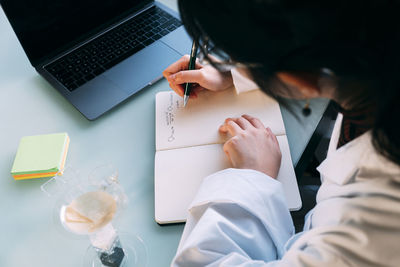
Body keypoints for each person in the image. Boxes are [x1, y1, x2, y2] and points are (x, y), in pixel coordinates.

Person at [162, 0, 400, 266]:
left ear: (299, 77)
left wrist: (252, 177)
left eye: (235, 56)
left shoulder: (365, 230)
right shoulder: (379, 40)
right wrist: (234, 73)